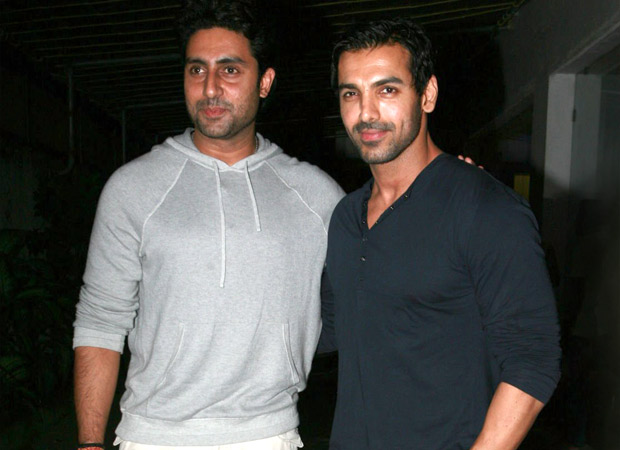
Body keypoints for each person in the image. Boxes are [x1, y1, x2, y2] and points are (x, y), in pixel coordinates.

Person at [72, 1, 343, 449]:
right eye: (197, 70)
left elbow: (383, 286)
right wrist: (88, 443)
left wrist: (444, 191)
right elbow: (101, 321)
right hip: (152, 436)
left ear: (265, 82)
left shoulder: (316, 196)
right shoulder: (133, 188)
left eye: (230, 70)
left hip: (269, 434)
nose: (210, 87)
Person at [319, 18, 562, 449]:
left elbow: (533, 360)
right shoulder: (345, 218)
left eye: (386, 90)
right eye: (350, 93)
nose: (366, 113)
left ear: (427, 94)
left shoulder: (484, 207)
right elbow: (326, 331)